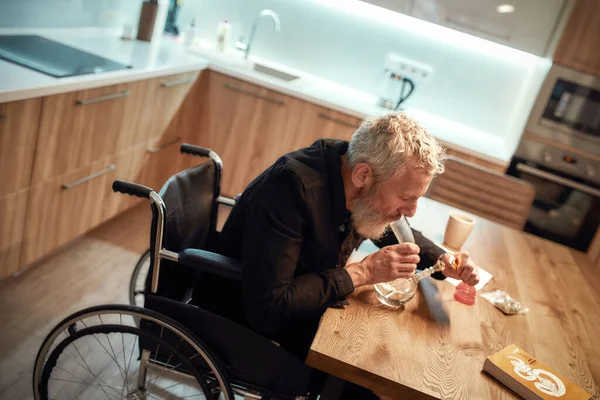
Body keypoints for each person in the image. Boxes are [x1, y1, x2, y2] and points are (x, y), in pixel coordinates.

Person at [217, 112, 480, 399]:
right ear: (363, 175)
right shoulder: (290, 190)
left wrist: (445, 260)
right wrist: (362, 273)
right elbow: (269, 307)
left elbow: (399, 229)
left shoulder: (353, 170)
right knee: (372, 378)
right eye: (406, 198)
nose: (412, 210)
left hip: (307, 304)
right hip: (243, 317)